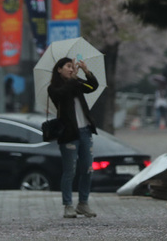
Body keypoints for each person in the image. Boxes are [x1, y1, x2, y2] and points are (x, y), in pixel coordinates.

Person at [48, 57, 99, 219]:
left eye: (72, 67)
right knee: (70, 171)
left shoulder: (75, 84)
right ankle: (68, 205)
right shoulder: (54, 88)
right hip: (68, 134)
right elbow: (61, 95)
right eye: (68, 67)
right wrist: (72, 80)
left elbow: (92, 87)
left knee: (88, 169)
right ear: (59, 69)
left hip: (85, 131)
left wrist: (85, 72)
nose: (71, 69)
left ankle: (83, 203)